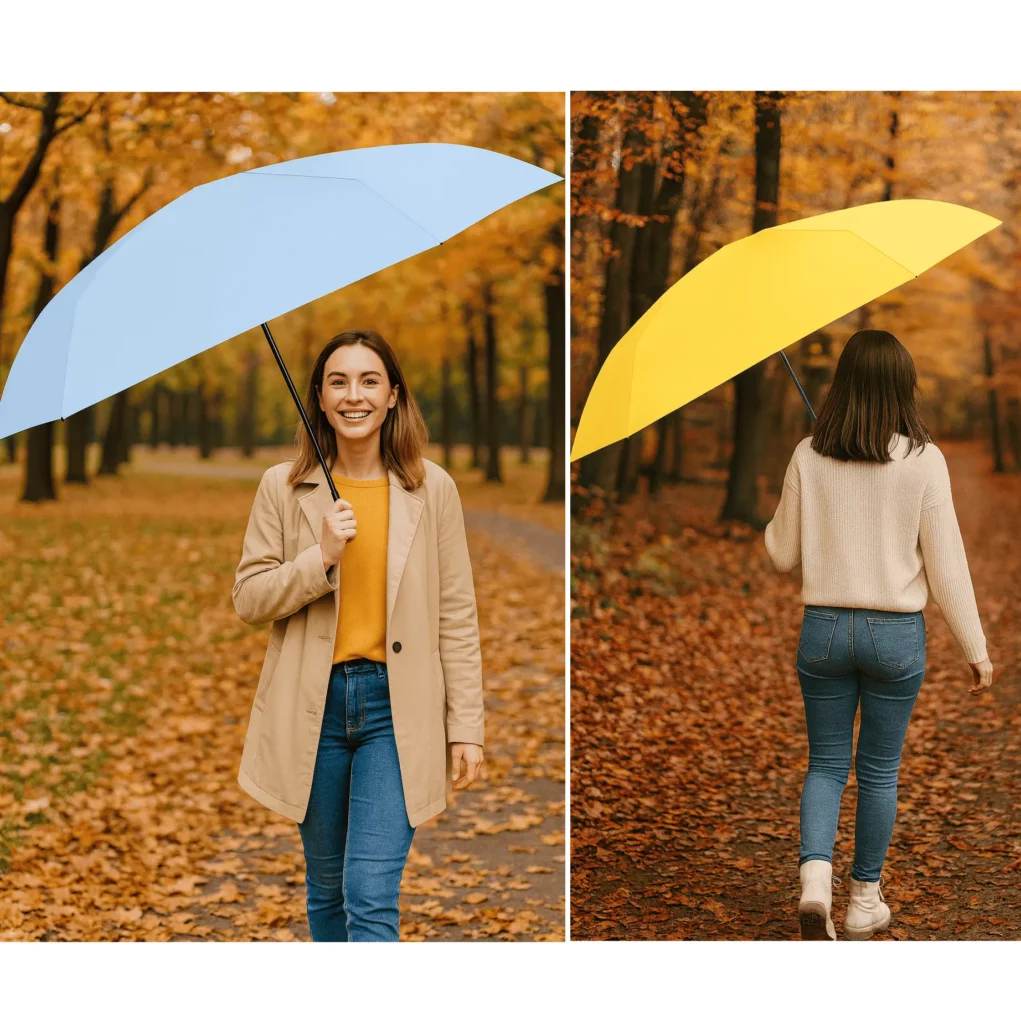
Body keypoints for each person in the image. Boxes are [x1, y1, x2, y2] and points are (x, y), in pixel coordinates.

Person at [231, 328, 485, 942]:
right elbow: (249, 599)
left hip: (396, 711)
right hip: (312, 707)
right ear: (319, 398)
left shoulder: (432, 488)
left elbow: (457, 614)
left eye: (369, 381)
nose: (354, 396)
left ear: (393, 395)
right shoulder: (282, 487)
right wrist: (318, 558)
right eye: (338, 382)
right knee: (326, 888)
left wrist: (466, 727)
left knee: (369, 893)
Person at [764, 329, 994, 941]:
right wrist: (975, 648)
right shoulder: (925, 460)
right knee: (879, 771)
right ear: (902, 387)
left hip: (824, 631)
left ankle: (815, 880)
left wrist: (802, 498)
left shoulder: (808, 453)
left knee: (825, 764)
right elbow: (947, 566)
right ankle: (863, 899)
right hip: (895, 635)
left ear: (842, 384)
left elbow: (781, 553)